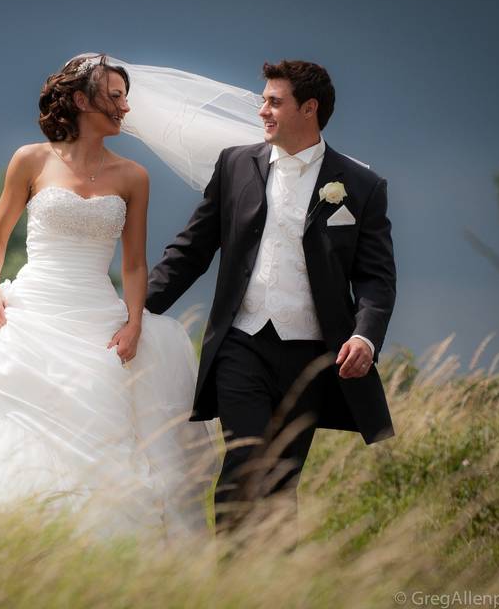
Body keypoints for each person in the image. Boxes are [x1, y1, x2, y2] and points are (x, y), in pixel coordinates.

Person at [0, 54, 219, 540]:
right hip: (33, 313)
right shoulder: (30, 160)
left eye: (126, 96)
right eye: (115, 96)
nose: (126, 108)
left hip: (98, 319)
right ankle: (14, 540)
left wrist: (134, 323)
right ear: (81, 100)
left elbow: (133, 263)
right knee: (17, 432)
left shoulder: (133, 176)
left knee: (104, 429)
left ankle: (100, 543)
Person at [144, 60, 397, 529]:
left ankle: (271, 583)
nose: (262, 110)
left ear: (310, 109)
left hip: (314, 355)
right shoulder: (236, 164)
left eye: (273, 101)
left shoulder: (361, 186)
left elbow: (376, 278)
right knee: (246, 463)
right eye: (263, 99)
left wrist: (365, 337)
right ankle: (232, 582)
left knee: (281, 477)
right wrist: (138, 309)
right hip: (241, 344)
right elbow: (191, 248)